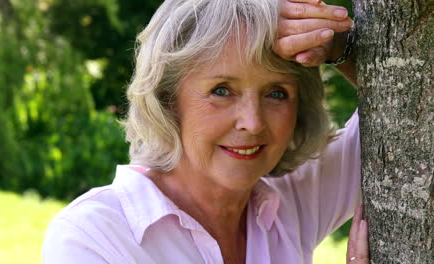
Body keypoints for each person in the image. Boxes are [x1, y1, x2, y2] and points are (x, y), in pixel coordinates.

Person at [42, 0, 368, 263]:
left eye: (276, 93)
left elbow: (411, 114)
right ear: (168, 98)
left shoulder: (291, 201)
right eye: (222, 91)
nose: (252, 123)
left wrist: (342, 48)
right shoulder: (95, 235)